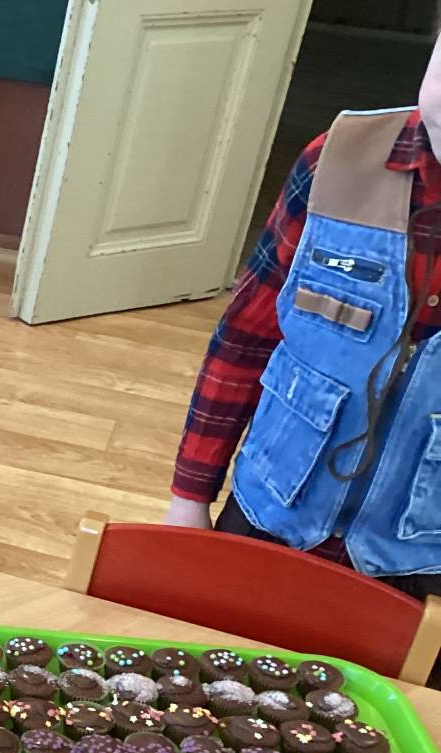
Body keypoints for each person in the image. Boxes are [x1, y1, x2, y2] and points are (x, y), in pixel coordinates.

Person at [164, 28, 441, 617]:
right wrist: (190, 495)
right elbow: (245, 338)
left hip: (422, 565)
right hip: (269, 514)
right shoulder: (334, 161)